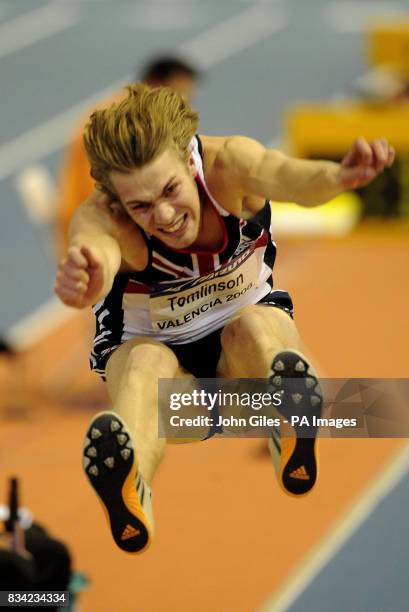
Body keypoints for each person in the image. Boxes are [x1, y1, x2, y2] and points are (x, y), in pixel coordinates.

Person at [54, 84, 395, 554]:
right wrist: (86, 276)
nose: (166, 215)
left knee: (256, 327)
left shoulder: (230, 166)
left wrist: (338, 176)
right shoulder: (104, 218)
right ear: (117, 201)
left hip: (245, 359)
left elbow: (290, 176)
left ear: (188, 159)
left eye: (170, 190)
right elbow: (97, 252)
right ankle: (131, 485)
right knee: (144, 364)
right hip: (171, 391)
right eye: (141, 207)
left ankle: (288, 414)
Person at [55, 56, 200, 257]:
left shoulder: (150, 123)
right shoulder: (114, 132)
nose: (184, 104)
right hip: (96, 234)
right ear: (155, 83)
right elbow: (101, 195)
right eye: (178, 95)